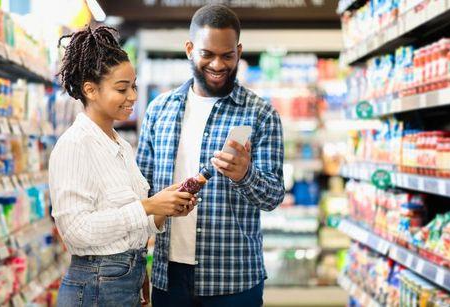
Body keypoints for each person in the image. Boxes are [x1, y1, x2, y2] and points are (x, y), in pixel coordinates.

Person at [136, 4, 285, 307]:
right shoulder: (159, 111)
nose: (218, 64)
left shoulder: (261, 114)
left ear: (239, 51)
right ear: (189, 49)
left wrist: (246, 174)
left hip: (234, 279)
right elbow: (139, 195)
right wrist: (138, 265)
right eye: (207, 54)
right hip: (169, 275)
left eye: (227, 55)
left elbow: (273, 197)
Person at [49, 26, 196, 307]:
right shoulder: (75, 145)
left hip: (123, 278)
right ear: (90, 90)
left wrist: (165, 209)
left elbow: (127, 225)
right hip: (95, 285)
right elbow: (76, 230)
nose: (133, 96)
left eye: (133, 86)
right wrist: (148, 206)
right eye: (122, 88)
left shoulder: (120, 145)